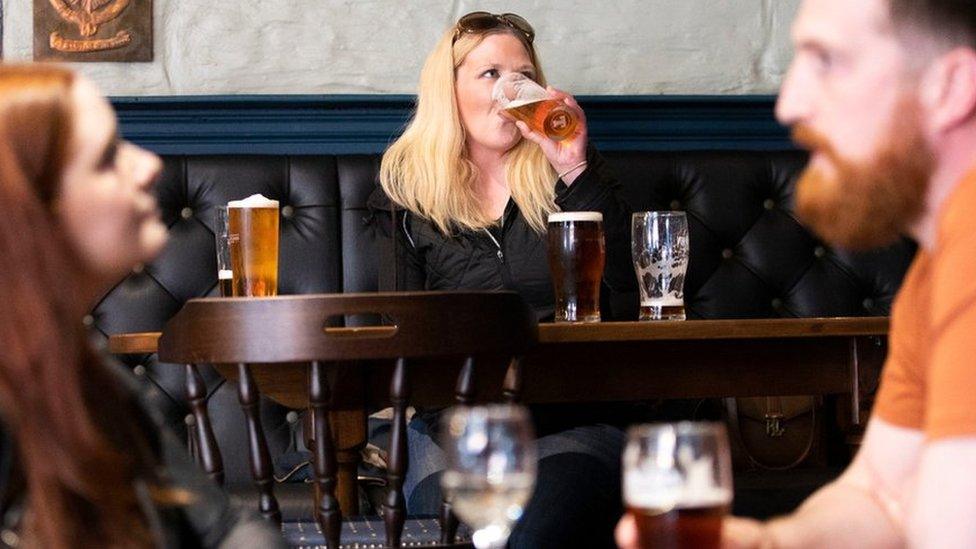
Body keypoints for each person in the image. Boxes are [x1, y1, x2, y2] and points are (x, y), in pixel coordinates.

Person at [614, 0, 976, 547]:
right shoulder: (940, 263)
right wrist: (769, 543)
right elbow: (880, 493)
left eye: (827, 60)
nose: (788, 104)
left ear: (948, 88)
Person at [367, 11, 635, 548]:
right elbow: (397, 332)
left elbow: (630, 296)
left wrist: (572, 167)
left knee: (539, 520)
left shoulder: (576, 178)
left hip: (573, 421)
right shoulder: (405, 196)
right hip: (454, 432)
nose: (509, 91)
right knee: (471, 518)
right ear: (449, 91)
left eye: (523, 76)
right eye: (490, 74)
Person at [0, 64, 286, 549]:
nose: (149, 164)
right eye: (108, 157)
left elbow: (222, 528)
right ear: (30, 211)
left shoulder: (85, 378)